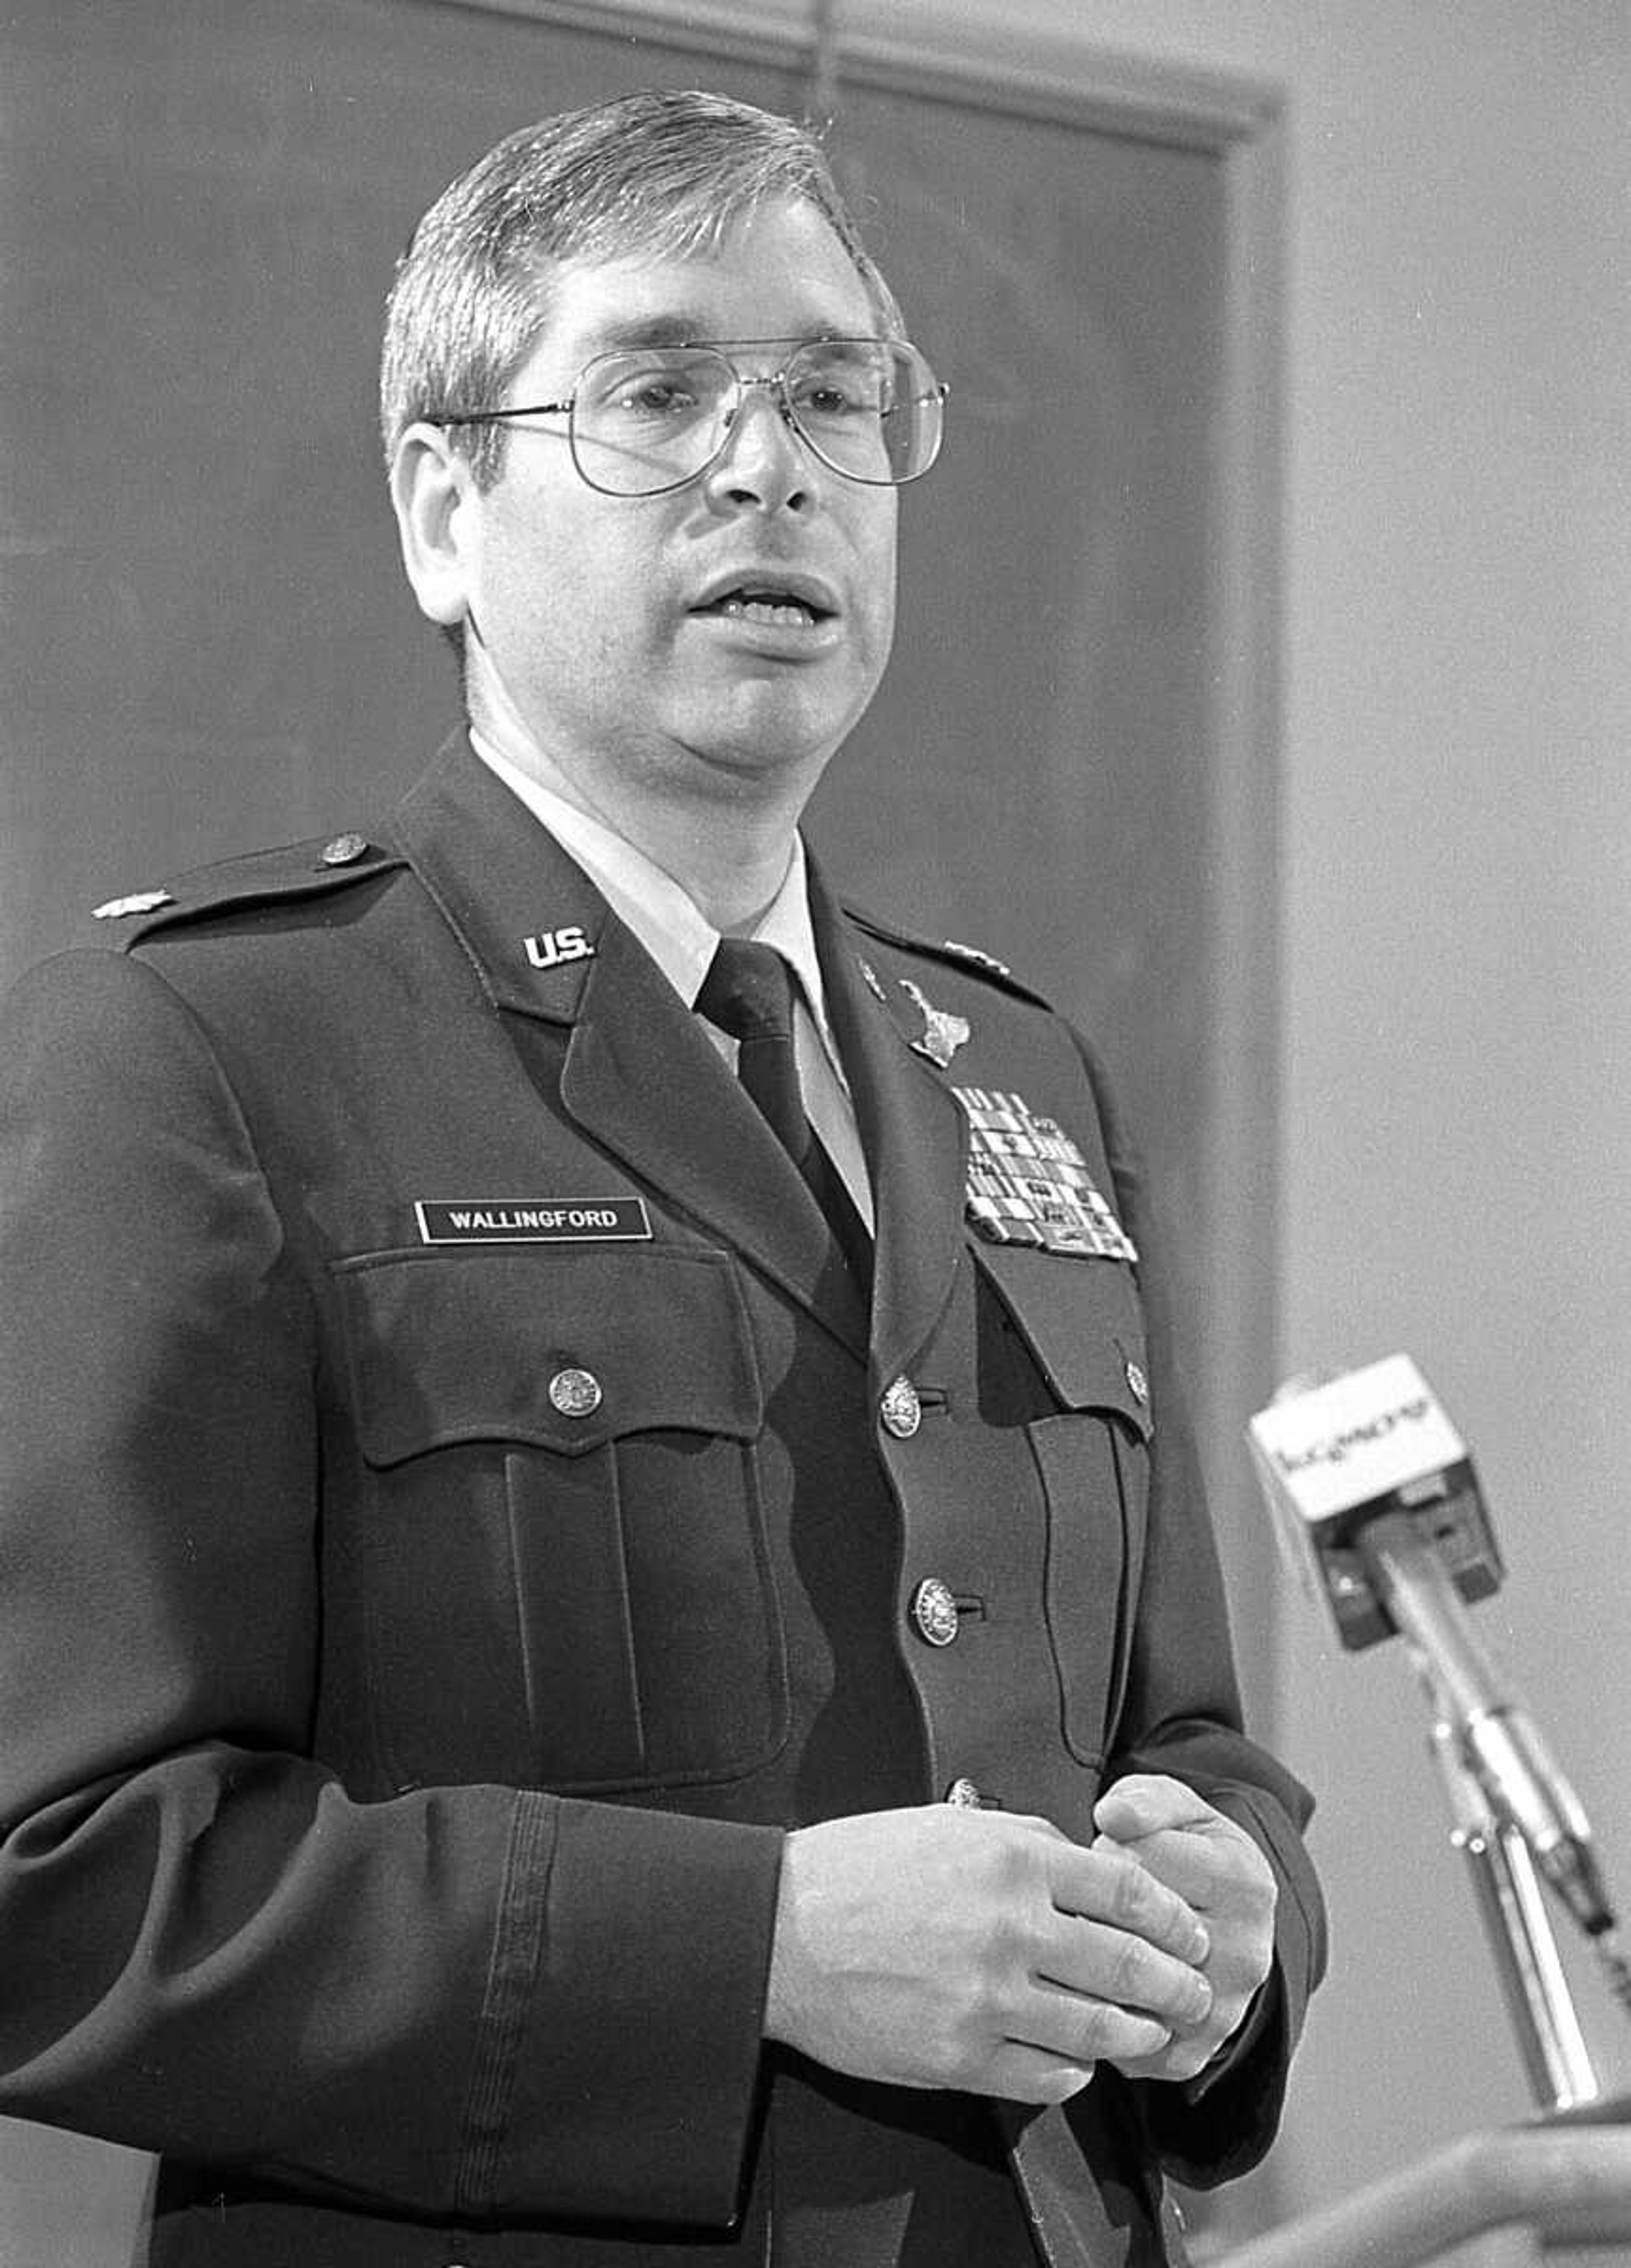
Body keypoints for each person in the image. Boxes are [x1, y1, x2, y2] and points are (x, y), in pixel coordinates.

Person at [0, 88, 1324, 2268]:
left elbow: (1183, 1729)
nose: (768, 461)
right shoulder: (206, 1050)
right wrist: (759, 1947)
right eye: (657, 390)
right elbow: (64, 1882)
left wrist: (1233, 1924)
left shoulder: (1022, 1073)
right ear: (445, 509)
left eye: (835, 393)